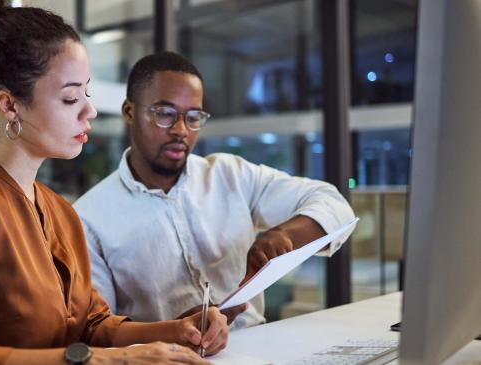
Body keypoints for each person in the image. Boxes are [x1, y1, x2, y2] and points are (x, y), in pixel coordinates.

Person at [0, 2, 228, 364]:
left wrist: (176, 330)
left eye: (87, 93)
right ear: (9, 106)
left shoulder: (59, 211)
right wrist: (100, 361)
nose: (90, 111)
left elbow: (91, 325)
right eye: (70, 98)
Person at [73, 52, 356, 330]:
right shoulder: (87, 219)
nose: (181, 130)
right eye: (165, 114)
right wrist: (174, 329)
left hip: (257, 346)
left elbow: (334, 205)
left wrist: (285, 236)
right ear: (129, 112)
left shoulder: (231, 175)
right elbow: (99, 331)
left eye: (193, 116)